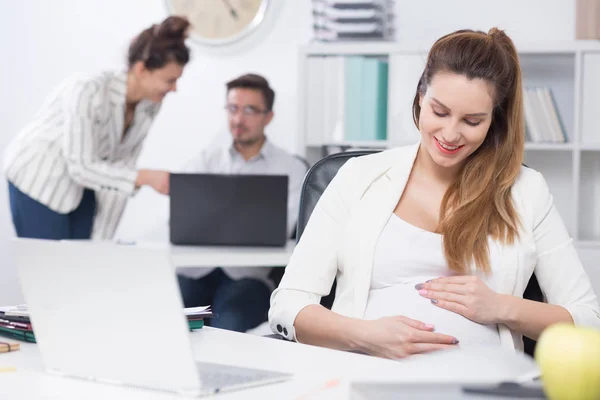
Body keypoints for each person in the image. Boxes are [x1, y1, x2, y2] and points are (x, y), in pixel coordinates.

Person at [268, 28, 600, 359]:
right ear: (420, 97)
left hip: (483, 384)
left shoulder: (526, 191)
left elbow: (588, 320)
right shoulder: (358, 177)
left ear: (493, 122)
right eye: (439, 112)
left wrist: (501, 307)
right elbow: (287, 304)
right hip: (368, 378)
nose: (451, 134)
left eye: (472, 121)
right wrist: (364, 335)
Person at [4, 16, 191, 240]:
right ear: (141, 70)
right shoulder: (88, 89)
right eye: (169, 80)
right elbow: (82, 166)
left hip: (84, 181)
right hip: (39, 176)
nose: (174, 88)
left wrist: (103, 244)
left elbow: (121, 169)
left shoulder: (150, 106)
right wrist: (145, 177)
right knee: (50, 267)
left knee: (83, 262)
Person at [177, 73, 308, 332]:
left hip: (247, 278)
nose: (238, 119)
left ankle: (219, 373)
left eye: (249, 110)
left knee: (229, 324)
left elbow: (281, 228)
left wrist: (214, 220)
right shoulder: (206, 160)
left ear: (268, 116)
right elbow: (183, 216)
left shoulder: (290, 168)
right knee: (169, 321)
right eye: (233, 109)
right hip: (196, 273)